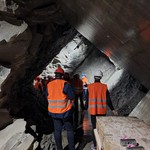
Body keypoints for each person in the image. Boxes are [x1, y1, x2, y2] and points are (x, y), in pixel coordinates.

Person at [85, 70, 118, 150]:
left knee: (95, 128)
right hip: (102, 111)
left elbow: (87, 100)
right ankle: (101, 144)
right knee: (101, 128)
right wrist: (113, 109)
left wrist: (84, 109)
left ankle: (95, 145)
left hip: (93, 111)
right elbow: (108, 100)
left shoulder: (89, 87)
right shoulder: (104, 87)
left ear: (94, 77)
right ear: (101, 77)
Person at [47, 67, 75, 150]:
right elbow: (72, 96)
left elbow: (47, 96)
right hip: (65, 111)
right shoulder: (65, 84)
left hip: (53, 112)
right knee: (69, 130)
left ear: (55, 75)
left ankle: (59, 148)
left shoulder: (49, 84)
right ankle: (71, 148)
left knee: (57, 130)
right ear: (62, 75)